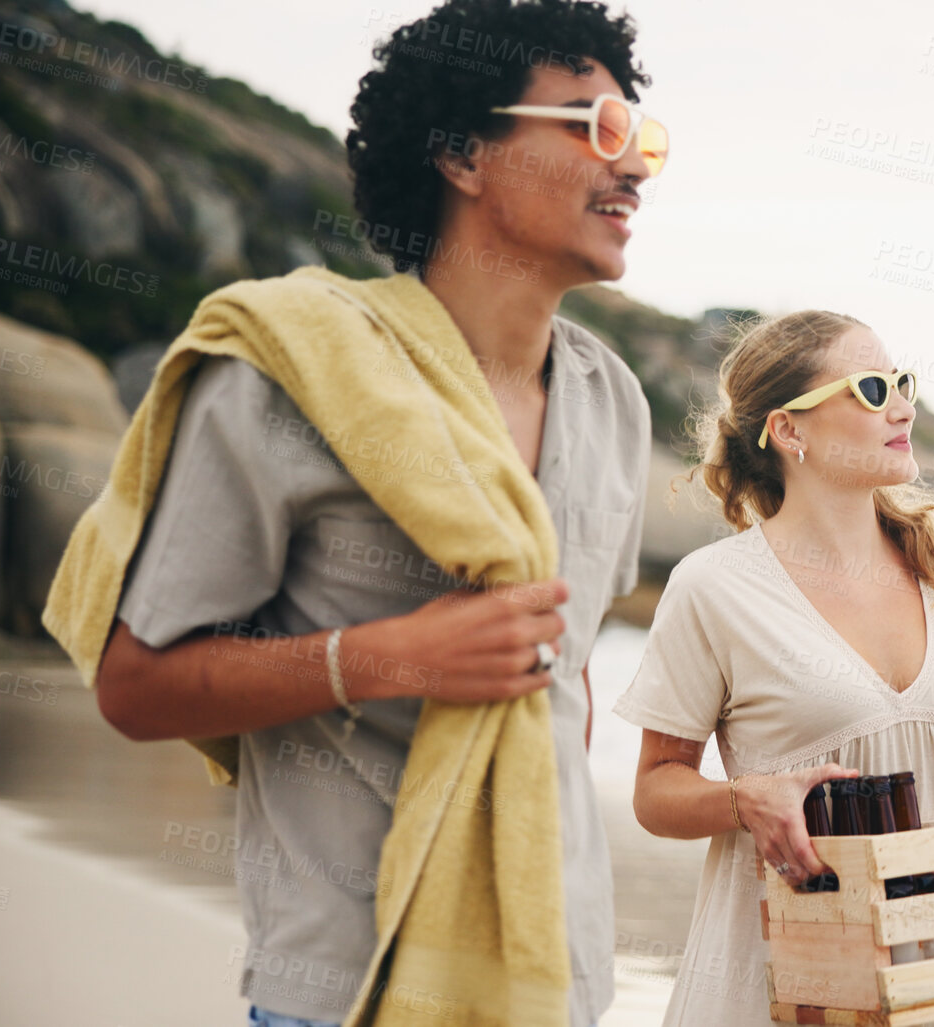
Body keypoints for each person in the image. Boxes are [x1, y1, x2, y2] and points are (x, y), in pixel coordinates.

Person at [69, 2, 660, 1023]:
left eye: (641, 134)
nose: (637, 165)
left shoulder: (615, 404)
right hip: (342, 986)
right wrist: (389, 658)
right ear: (462, 156)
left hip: (554, 980)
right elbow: (133, 684)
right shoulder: (297, 372)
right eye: (590, 125)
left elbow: (569, 689)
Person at [612, 310, 934, 1026]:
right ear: (789, 430)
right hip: (791, 981)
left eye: (901, 382)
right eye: (871, 388)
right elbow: (656, 792)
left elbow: (921, 749)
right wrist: (746, 799)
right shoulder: (715, 585)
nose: (903, 405)